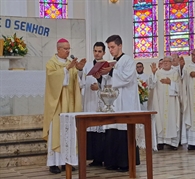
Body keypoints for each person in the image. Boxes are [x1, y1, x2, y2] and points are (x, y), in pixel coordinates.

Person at [94, 35, 140, 172]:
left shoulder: (128, 61)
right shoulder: (111, 62)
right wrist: (100, 78)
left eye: (112, 47)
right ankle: (113, 162)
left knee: (123, 131)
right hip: (114, 103)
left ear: (120, 46)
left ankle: (125, 163)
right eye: (109, 48)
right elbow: (108, 83)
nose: (111, 50)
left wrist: (112, 71)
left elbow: (126, 78)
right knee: (113, 131)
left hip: (125, 101)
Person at [42, 38, 86, 174]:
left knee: (69, 132)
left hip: (70, 104)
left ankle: (67, 161)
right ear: (58, 49)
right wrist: (66, 69)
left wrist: (78, 70)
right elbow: (53, 80)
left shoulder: (70, 63)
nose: (68, 51)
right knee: (56, 131)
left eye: (69, 49)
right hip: (57, 105)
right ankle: (54, 163)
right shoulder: (51, 63)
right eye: (65, 49)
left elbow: (78, 84)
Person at [148, 56, 181, 150]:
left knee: (172, 119)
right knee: (160, 120)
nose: (165, 63)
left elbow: (180, 87)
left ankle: (172, 143)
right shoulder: (158, 73)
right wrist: (153, 73)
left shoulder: (175, 73)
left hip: (172, 101)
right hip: (160, 101)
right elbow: (152, 85)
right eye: (164, 61)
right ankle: (160, 142)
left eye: (167, 61)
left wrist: (170, 82)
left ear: (171, 63)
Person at [82, 42, 106, 166]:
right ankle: (94, 158)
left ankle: (102, 157)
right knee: (91, 131)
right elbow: (82, 82)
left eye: (99, 51)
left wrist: (100, 86)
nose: (97, 53)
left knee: (102, 131)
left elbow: (111, 83)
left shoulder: (107, 66)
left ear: (104, 53)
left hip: (102, 102)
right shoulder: (87, 65)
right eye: (95, 51)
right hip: (90, 100)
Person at [181, 48, 195, 150]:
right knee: (192, 118)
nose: (194, 57)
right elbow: (182, 79)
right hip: (191, 98)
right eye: (193, 55)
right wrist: (181, 66)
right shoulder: (187, 68)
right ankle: (192, 143)